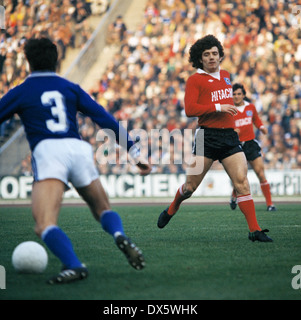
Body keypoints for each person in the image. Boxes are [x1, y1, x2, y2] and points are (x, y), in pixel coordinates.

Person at [0, 37, 152, 284]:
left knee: (44, 223)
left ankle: (73, 265)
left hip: (48, 150)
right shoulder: (70, 87)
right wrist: (134, 152)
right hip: (78, 148)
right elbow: (104, 119)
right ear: (57, 60)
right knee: (103, 209)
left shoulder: (21, 91)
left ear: (28, 62)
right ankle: (118, 234)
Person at [157, 35, 272, 242]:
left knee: (242, 183)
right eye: (206, 54)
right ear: (200, 59)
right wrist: (218, 107)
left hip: (229, 136)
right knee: (190, 188)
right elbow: (190, 109)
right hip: (206, 136)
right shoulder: (194, 80)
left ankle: (254, 230)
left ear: (220, 56)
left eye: (215, 54)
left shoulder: (226, 75)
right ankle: (172, 208)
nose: (211, 57)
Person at [229, 83, 276, 212]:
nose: (236, 96)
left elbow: (256, 120)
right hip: (237, 146)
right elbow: (225, 126)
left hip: (250, 144)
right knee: (240, 176)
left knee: (260, 173)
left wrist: (261, 127)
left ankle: (270, 204)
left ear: (243, 95)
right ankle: (234, 194)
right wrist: (233, 130)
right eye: (234, 94)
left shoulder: (250, 107)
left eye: (239, 94)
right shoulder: (229, 110)